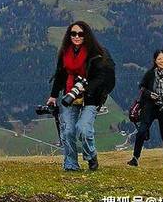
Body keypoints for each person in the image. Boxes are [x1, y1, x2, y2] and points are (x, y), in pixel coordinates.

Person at [47, 21, 115, 172]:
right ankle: (71, 164)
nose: (76, 37)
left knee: (83, 129)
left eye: (80, 34)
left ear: (86, 35)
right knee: (68, 131)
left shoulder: (96, 53)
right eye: (73, 33)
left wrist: (85, 88)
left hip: (91, 97)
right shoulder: (65, 53)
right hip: (69, 95)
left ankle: (91, 156)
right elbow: (60, 75)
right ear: (69, 35)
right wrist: (53, 96)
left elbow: (101, 77)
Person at [127, 49, 163, 169]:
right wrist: (149, 94)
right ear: (155, 61)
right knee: (142, 131)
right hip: (150, 106)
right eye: (159, 59)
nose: (162, 61)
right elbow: (142, 87)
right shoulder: (150, 74)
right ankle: (135, 158)